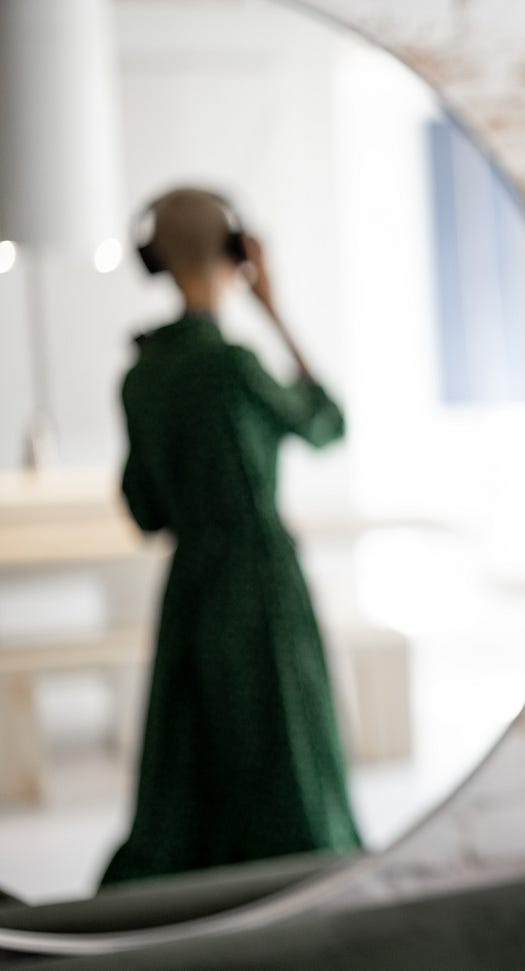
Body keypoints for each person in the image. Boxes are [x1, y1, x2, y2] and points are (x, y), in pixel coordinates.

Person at [102, 188, 361, 886]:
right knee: (284, 753)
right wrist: (273, 308)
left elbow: (146, 509)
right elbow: (328, 423)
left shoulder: (140, 376)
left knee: (195, 754)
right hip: (260, 582)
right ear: (234, 255)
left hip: (192, 587)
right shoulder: (234, 365)